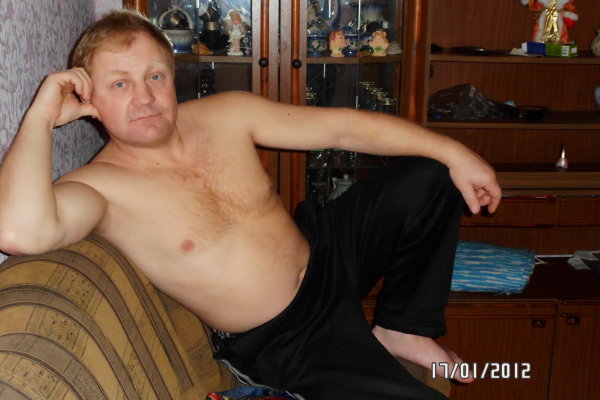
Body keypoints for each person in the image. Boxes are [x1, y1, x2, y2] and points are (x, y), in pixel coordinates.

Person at [0, 9, 501, 400]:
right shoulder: (99, 188)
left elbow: (343, 127)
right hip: (287, 339)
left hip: (325, 255)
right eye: (119, 84)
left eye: (155, 76)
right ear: (88, 98)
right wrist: (41, 114)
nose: (144, 97)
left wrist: (456, 151)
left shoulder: (225, 114)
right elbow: (19, 232)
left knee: (431, 173)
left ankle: (403, 328)